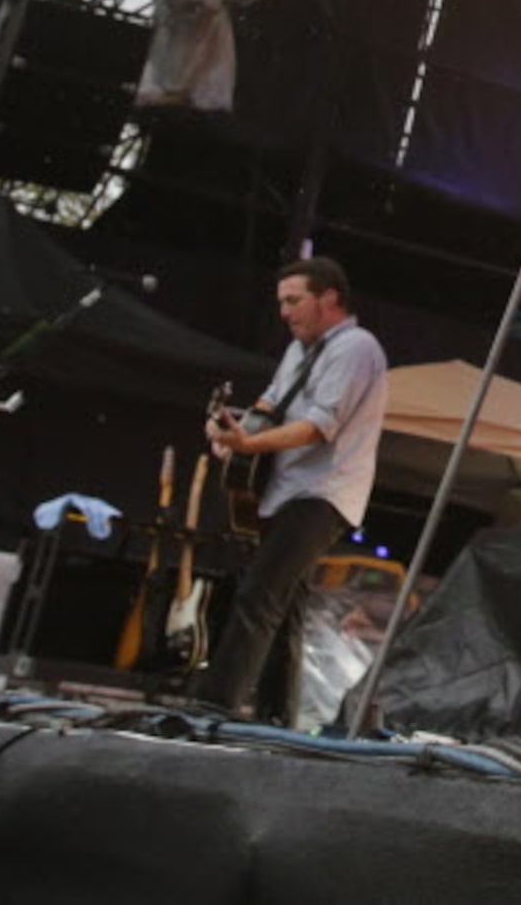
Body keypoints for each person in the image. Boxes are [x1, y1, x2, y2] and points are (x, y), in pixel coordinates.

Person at [193, 255, 389, 719]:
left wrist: (251, 442)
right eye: (281, 302)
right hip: (287, 489)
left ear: (330, 299)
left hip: (323, 493)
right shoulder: (301, 348)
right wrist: (234, 432)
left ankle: (212, 705)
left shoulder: (356, 348)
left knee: (257, 594)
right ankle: (275, 716)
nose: (284, 312)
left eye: (293, 300)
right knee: (283, 608)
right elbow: (270, 400)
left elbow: (321, 426)